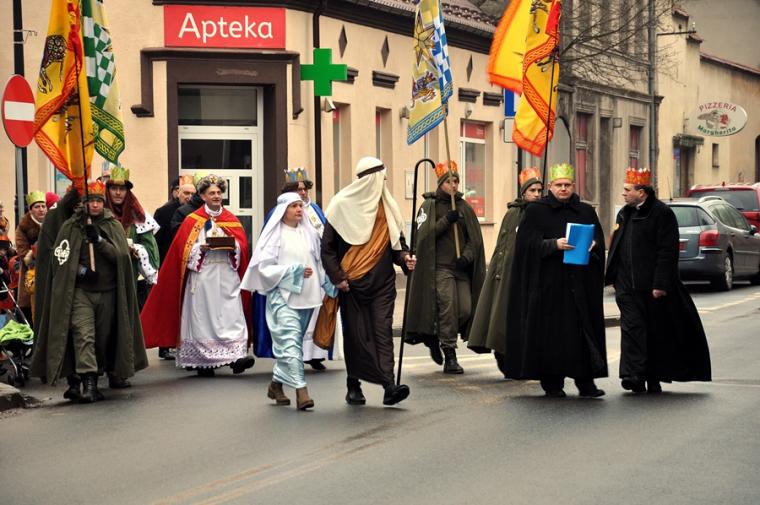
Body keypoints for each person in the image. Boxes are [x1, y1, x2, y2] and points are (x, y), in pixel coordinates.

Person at [30, 180, 148, 402]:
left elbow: (120, 257)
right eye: (90, 201)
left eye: (98, 201)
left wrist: (99, 240)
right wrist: (82, 271)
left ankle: (97, 374)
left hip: (108, 293)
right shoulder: (71, 227)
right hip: (81, 294)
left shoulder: (112, 225)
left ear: (103, 203)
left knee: (102, 339)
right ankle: (89, 385)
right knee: (84, 336)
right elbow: (60, 259)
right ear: (83, 203)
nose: (94, 205)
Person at [318, 156, 416, 406]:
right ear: (371, 180)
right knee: (356, 336)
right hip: (352, 285)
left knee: (383, 332)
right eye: (382, 178)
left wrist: (405, 259)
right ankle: (353, 384)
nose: (385, 182)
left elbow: (397, 246)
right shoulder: (340, 205)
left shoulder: (387, 207)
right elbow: (327, 249)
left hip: (383, 285)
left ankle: (389, 386)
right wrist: (338, 278)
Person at [505, 163, 607, 398]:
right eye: (559, 185)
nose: (563, 189)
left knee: (582, 334)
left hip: (579, 284)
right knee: (551, 337)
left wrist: (594, 245)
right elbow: (525, 246)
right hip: (548, 285)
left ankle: (586, 383)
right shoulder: (536, 211)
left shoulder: (585, 211)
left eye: (567, 185)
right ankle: (552, 384)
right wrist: (553, 245)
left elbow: (599, 239)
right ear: (550, 186)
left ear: (573, 186)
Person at [605, 168, 711, 393]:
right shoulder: (624, 213)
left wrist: (660, 284)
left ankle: (653, 376)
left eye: (627, 190)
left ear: (641, 192)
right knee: (632, 329)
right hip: (626, 285)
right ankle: (633, 375)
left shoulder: (661, 213)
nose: (623, 193)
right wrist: (613, 276)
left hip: (651, 286)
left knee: (654, 332)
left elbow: (667, 251)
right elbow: (616, 245)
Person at [141, 174, 254, 377]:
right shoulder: (192, 220)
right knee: (203, 318)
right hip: (203, 275)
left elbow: (243, 247)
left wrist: (234, 247)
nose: (216, 196)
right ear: (203, 196)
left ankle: (236, 356)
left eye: (219, 192)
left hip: (227, 274)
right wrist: (199, 249)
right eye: (211, 193)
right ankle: (203, 361)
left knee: (232, 314)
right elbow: (182, 251)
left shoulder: (231, 219)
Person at [242, 192, 335, 410]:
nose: (299, 209)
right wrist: (294, 271)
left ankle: (276, 385)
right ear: (283, 210)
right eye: (294, 206)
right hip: (283, 297)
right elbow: (264, 268)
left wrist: (331, 285)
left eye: (300, 205)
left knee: (291, 345)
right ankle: (302, 392)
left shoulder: (309, 233)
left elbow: (319, 262)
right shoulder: (275, 235)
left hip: (308, 298)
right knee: (292, 344)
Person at [404, 162, 485, 374]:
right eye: (449, 181)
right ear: (441, 184)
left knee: (465, 310)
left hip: (460, 268)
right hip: (440, 268)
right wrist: (445, 221)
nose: (454, 185)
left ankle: (436, 334)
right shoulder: (429, 206)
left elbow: (474, 240)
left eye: (456, 181)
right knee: (448, 309)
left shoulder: (464, 207)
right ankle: (450, 354)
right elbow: (423, 237)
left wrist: (466, 257)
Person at [253, 167, 335, 371]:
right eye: (298, 189)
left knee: (313, 316)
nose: (303, 192)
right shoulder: (278, 216)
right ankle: (290, 368)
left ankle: (314, 355)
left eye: (305, 188)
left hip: (314, 273)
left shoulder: (314, 210)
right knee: (290, 325)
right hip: (288, 282)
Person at [467, 168, 543, 376]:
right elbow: (504, 246)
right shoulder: (513, 214)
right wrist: (499, 272)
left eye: (539, 190)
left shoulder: (543, 213)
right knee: (505, 318)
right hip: (510, 274)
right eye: (532, 190)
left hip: (534, 275)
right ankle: (505, 358)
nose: (537, 194)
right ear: (524, 192)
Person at [105, 166, 160, 309]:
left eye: (122, 189)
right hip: (104, 279)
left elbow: (151, 252)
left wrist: (135, 248)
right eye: (114, 188)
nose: (118, 193)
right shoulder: (100, 212)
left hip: (132, 279)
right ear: (108, 190)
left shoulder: (139, 216)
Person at [15, 191, 48, 324]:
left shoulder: (52, 224)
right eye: (37, 206)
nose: (41, 209)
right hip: (31, 274)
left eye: (43, 206)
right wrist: (36, 251)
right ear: (30, 210)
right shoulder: (23, 227)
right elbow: (23, 253)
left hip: (50, 271)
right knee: (32, 312)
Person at [169, 171, 207, 236]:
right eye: (186, 193)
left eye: (192, 194)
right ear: (178, 193)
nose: (190, 197)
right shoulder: (165, 211)